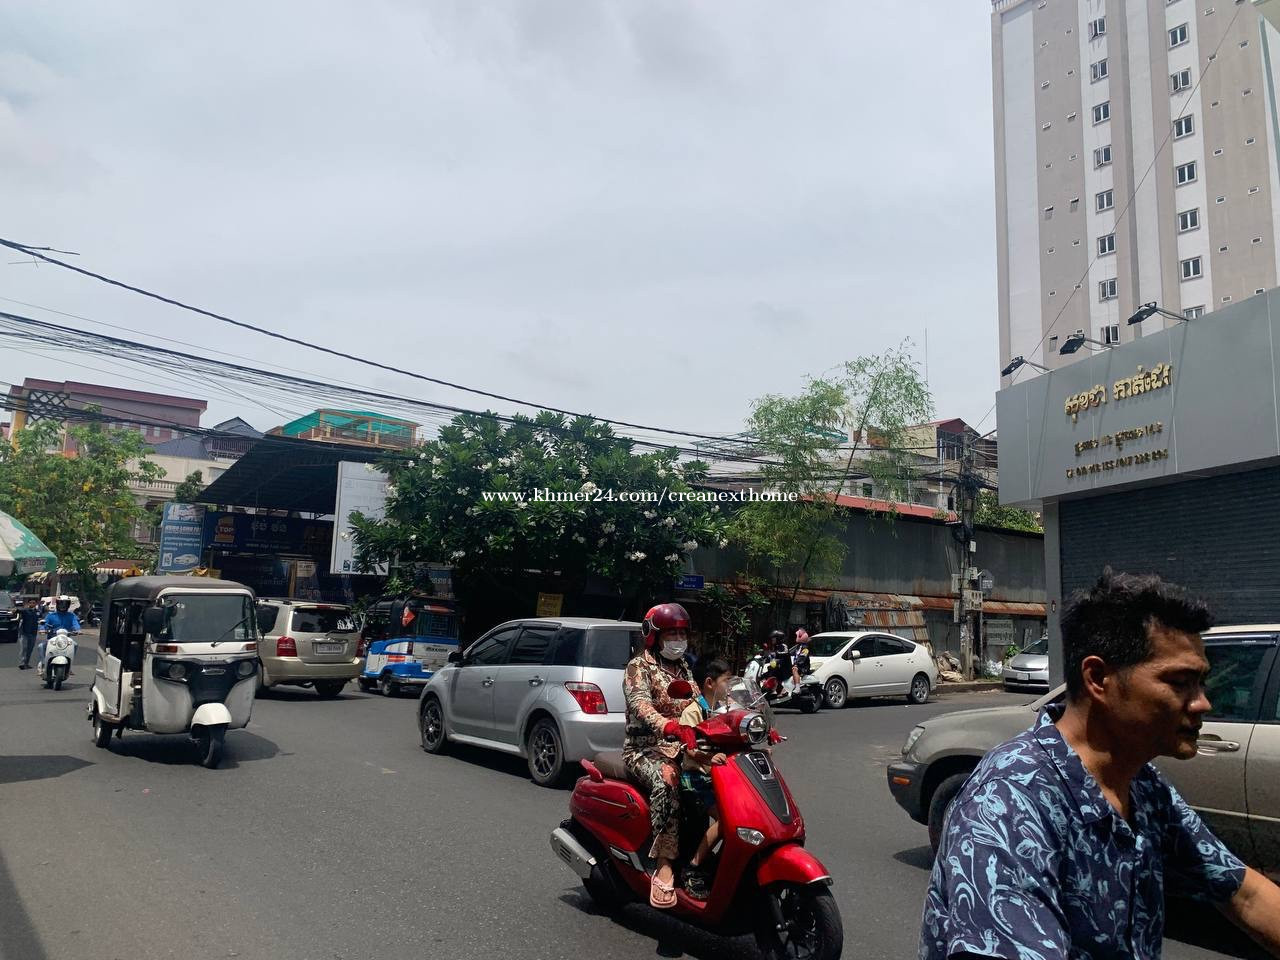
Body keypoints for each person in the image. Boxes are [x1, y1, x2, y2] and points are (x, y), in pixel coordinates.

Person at [920, 569, 1280, 960]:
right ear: (1098, 678)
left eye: (1202, 682)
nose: (1202, 703)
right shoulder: (1008, 805)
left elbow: (1244, 894)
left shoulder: (1144, 786)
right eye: (1180, 682)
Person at [622, 602, 698, 910]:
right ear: (654, 636)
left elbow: (702, 701)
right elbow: (640, 704)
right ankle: (664, 864)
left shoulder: (684, 668)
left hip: (683, 746)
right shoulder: (638, 667)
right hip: (645, 748)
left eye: (682, 634)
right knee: (668, 780)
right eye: (671, 634)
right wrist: (667, 725)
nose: (678, 640)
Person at [678, 658, 731, 900]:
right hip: (695, 777)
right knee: (726, 820)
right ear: (710, 683)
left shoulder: (725, 708)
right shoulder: (692, 712)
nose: (730, 686)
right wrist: (710, 758)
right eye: (727, 681)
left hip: (720, 776)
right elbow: (690, 749)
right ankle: (694, 867)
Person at [38, 597, 80, 673]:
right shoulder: (51, 615)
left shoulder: (71, 615)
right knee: (41, 646)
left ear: (68, 605)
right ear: (57, 604)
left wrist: (77, 630)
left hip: (66, 640)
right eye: (61, 604)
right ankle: (43, 664)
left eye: (65, 604)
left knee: (75, 645)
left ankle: (69, 666)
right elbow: (44, 624)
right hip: (52, 639)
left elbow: (75, 624)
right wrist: (42, 629)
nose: (63, 606)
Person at [17, 598, 41, 670]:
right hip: (24, 633)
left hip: (33, 633)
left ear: (36, 604)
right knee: (24, 648)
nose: (32, 604)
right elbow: (18, 610)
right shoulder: (25, 611)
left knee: (30, 649)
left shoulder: (38, 612)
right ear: (28, 603)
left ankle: (26, 663)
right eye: (30, 602)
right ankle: (22, 663)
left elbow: (42, 618)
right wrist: (14, 610)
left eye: (33, 603)